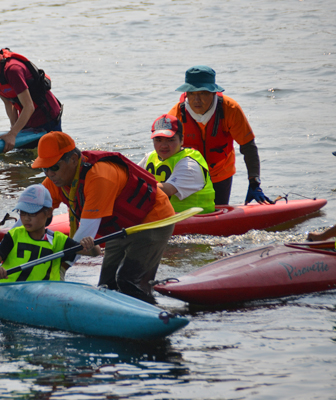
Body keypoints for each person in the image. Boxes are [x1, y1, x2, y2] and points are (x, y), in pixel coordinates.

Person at [32, 131, 176, 302]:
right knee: (107, 285)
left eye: (54, 167)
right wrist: (6, 255)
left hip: (153, 219)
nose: (49, 173)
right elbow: (30, 213)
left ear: (72, 160)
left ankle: (158, 317)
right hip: (119, 226)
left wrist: (60, 266)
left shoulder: (99, 177)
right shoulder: (55, 180)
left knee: (130, 282)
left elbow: (86, 232)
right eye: (44, 168)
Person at [167, 65, 272, 205]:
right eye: (191, 93)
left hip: (221, 175)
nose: (196, 99)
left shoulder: (230, 109)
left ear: (213, 92)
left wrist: (254, 182)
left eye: (203, 93)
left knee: (217, 212)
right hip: (187, 177)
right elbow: (165, 152)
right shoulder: (175, 115)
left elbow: (248, 146)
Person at [0, 27, 63, 153]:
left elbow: (29, 106)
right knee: (22, 159)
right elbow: (8, 103)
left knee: (55, 160)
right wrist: (14, 130)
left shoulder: (13, 70)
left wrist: (13, 134)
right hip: (27, 122)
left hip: (48, 119)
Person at [0, 184, 101, 282]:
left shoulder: (58, 240)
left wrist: (91, 244)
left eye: (32, 213)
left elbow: (94, 253)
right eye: (23, 213)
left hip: (42, 296)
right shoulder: (14, 235)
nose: (26, 218)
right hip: (7, 289)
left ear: (48, 212)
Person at [138, 114, 216, 214]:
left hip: (194, 219)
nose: (164, 145)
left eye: (170, 140)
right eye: (158, 140)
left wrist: (135, 185)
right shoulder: (150, 157)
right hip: (164, 217)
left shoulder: (189, 164)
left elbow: (168, 190)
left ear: (182, 140)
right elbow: (130, 174)